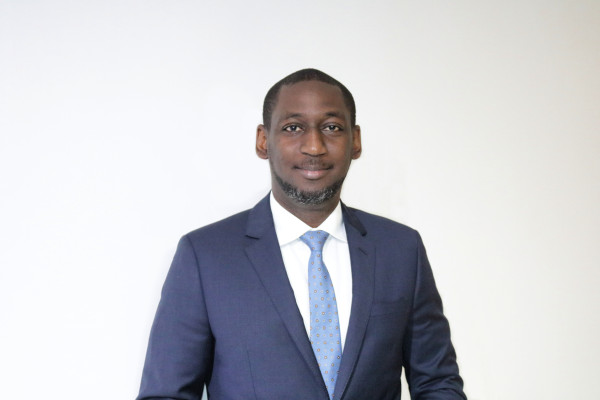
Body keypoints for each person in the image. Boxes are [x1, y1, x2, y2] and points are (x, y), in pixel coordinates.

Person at [137, 68, 466, 400]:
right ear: (263, 141)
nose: (314, 146)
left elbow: (437, 384)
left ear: (355, 141)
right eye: (293, 128)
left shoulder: (401, 250)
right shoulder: (205, 256)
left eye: (332, 127)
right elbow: (166, 394)